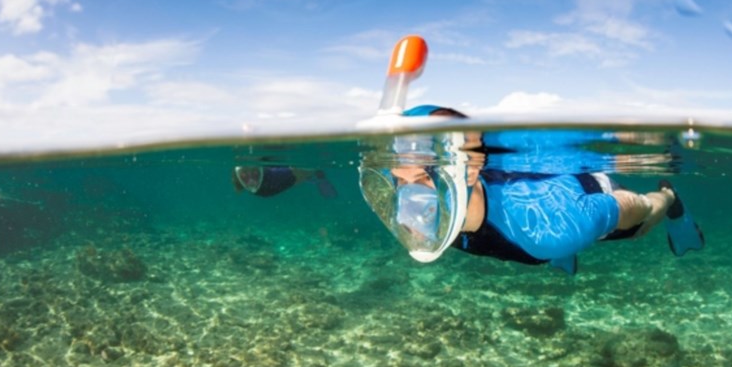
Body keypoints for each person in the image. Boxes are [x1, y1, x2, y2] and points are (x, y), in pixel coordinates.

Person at [359, 105, 704, 274]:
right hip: (543, 223)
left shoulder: (554, 229)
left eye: (420, 179)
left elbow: (628, 206)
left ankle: (671, 198)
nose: (408, 204)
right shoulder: (437, 218)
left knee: (638, 226)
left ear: (471, 167)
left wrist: (647, 204)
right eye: (400, 181)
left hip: (584, 199)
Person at [233, 165, 337, 198]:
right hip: (267, 185)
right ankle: (314, 174)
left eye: (254, 174)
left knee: (293, 176)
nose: (251, 180)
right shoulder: (272, 179)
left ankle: (313, 176)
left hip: (266, 185)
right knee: (294, 175)